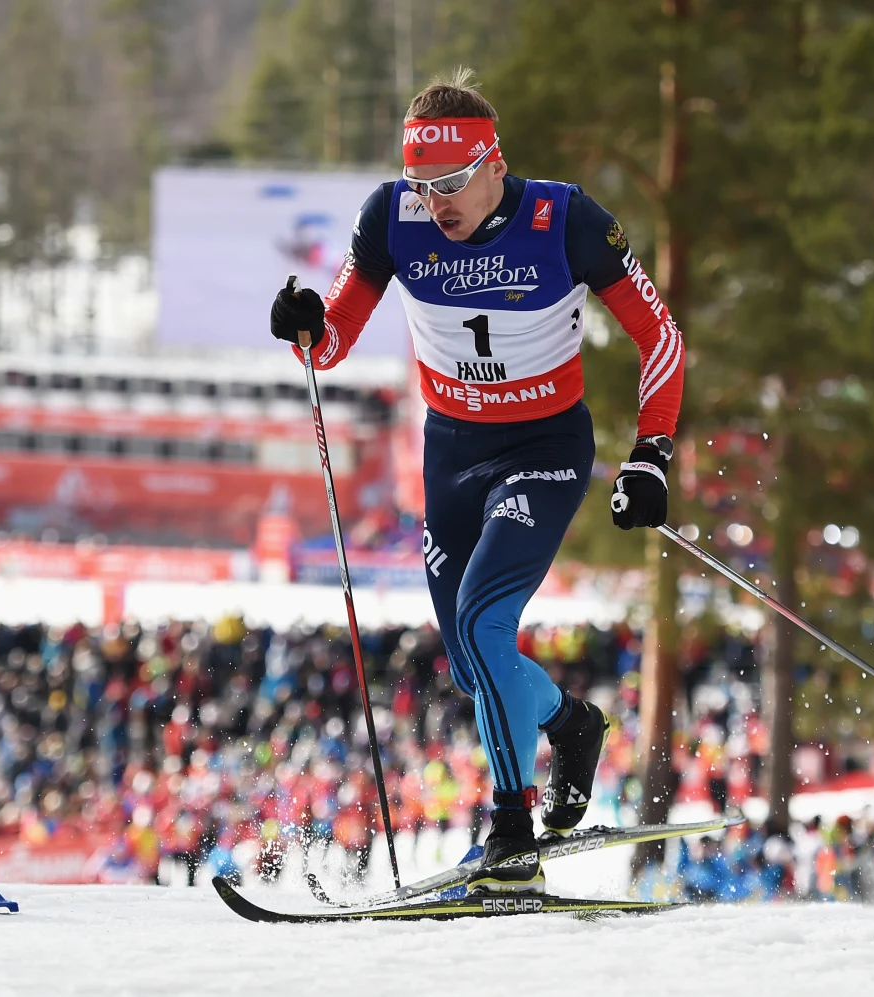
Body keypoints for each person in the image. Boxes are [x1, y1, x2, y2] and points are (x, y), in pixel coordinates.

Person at [268, 68, 684, 894]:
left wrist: (651, 454)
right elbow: (334, 339)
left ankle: (510, 834)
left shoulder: (563, 220)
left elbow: (660, 335)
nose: (437, 203)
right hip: (451, 453)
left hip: (544, 446)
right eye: (422, 185)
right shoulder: (392, 217)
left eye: (452, 183)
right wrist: (307, 325)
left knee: (485, 622)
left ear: (495, 162)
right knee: (471, 663)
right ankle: (570, 726)